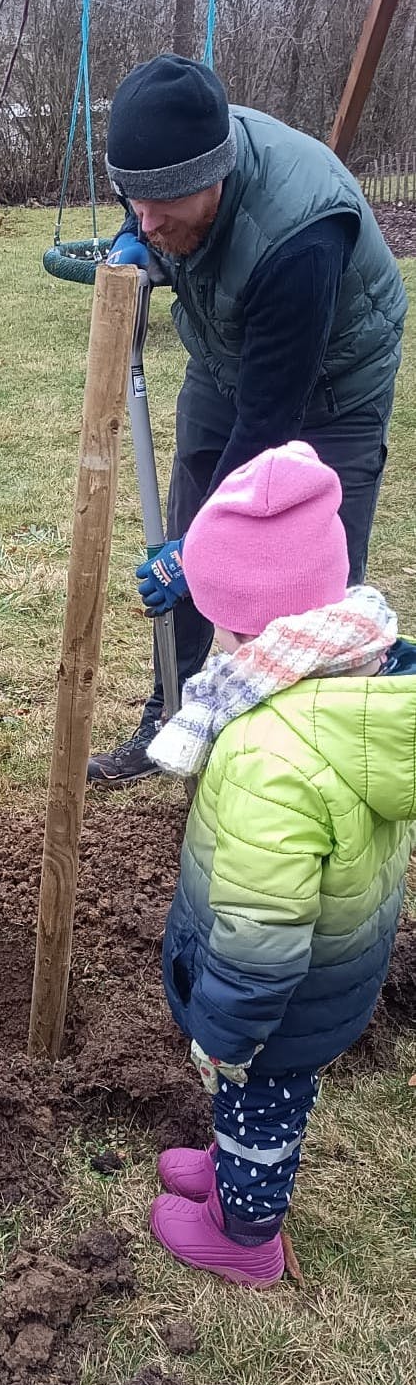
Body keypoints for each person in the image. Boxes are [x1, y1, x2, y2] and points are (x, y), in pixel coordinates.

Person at [87, 54, 408, 786]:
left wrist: (198, 550)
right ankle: (173, 713)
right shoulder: (167, 165)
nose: (148, 218)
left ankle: (308, 756)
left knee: (311, 564)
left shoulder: (300, 236)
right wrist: (140, 239)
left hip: (335, 385)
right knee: (193, 508)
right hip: (225, 354)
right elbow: (152, 197)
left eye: (164, 205)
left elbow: (270, 426)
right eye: (134, 200)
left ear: (216, 177)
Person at [146, 441, 416, 1286]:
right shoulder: (358, 673)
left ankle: (245, 1230)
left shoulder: (273, 751)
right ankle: (231, 1159)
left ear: (242, 620)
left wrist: (226, 1032)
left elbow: (266, 930)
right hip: (340, 962)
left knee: (264, 1098)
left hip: (283, 996)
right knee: (265, 1094)